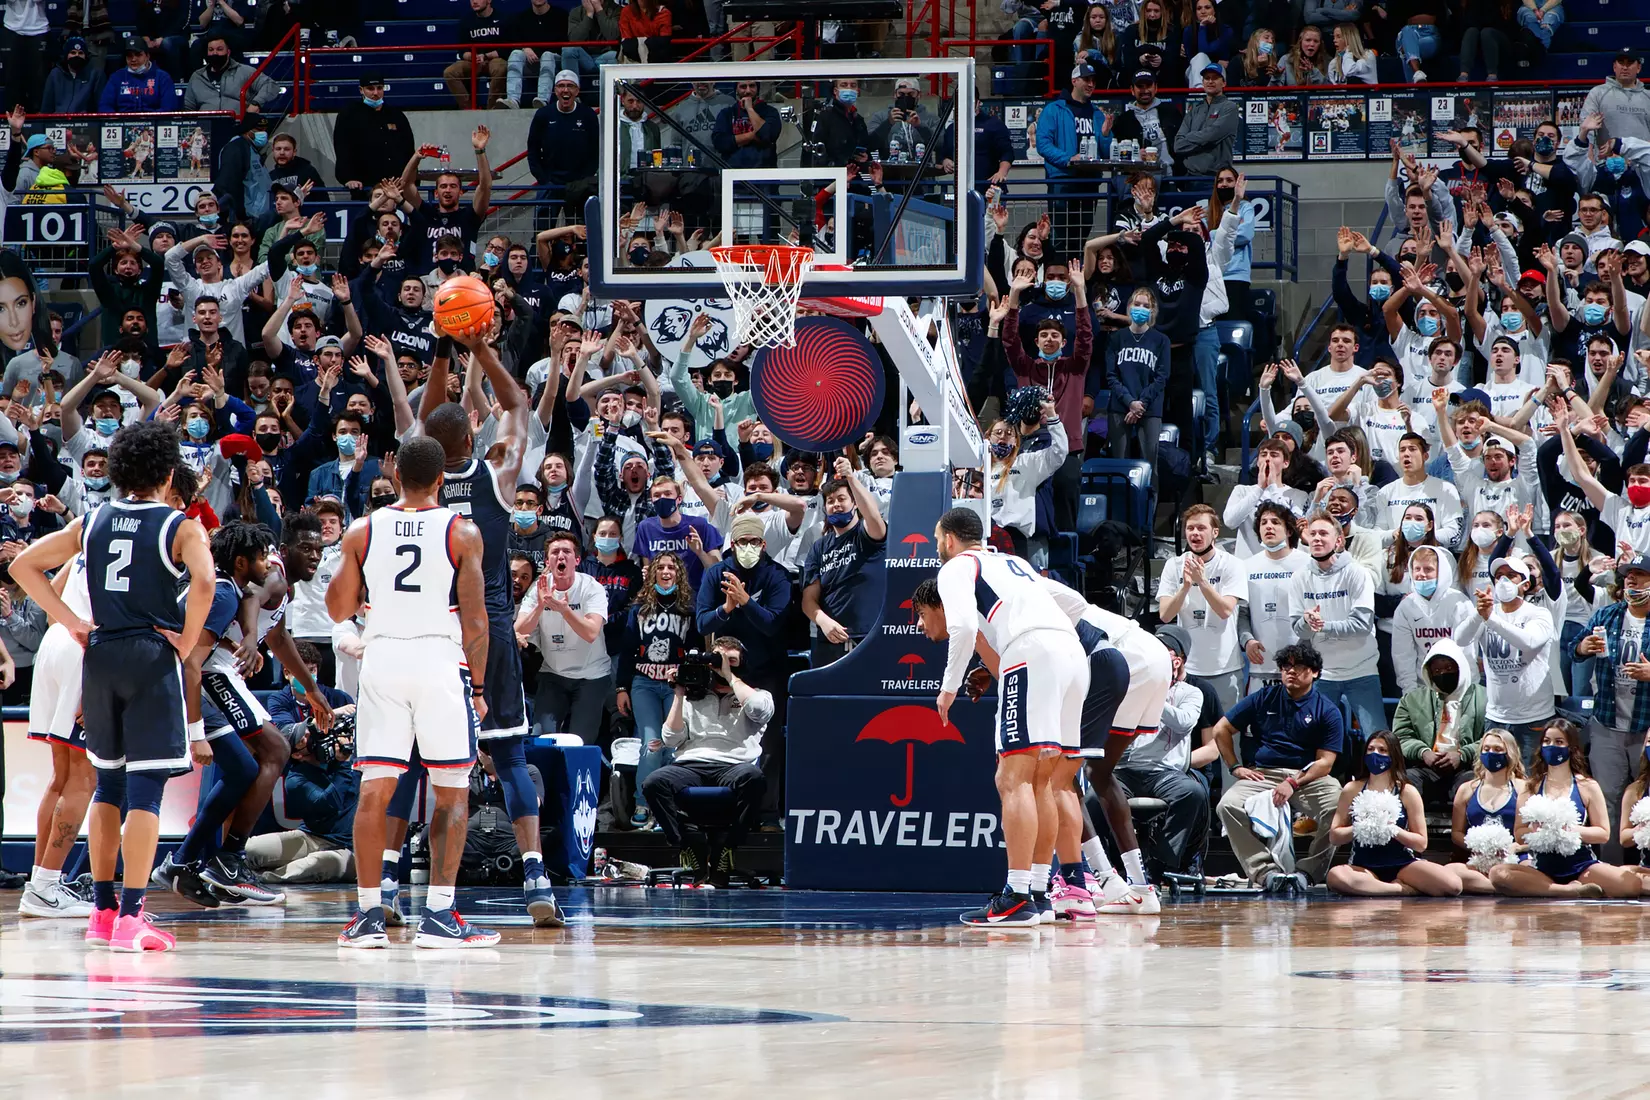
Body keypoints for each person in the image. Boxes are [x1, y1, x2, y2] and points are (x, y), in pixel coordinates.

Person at [12, 421, 217, 952]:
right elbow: (207, 582)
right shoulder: (180, 526)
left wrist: (70, 621)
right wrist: (188, 638)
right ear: (169, 472)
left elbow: (23, 565)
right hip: (149, 658)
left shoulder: (92, 519)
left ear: (119, 471)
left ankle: (101, 912)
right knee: (146, 791)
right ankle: (132, 915)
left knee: (107, 787)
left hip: (97, 656)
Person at [327, 435, 499, 949]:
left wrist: (356, 568)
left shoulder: (362, 529)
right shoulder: (461, 531)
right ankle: (440, 916)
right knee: (452, 790)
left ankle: (366, 916)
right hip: (439, 659)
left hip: (382, 658)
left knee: (375, 789)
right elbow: (476, 621)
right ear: (443, 478)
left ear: (394, 473)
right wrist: (480, 686)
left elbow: (338, 608)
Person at [413, 334, 560, 927]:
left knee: (412, 763)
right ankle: (535, 877)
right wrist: (480, 345)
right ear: (473, 437)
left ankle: (396, 883)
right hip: (491, 631)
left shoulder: (417, 485)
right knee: (510, 754)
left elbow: (427, 422)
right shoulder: (499, 476)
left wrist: (445, 354)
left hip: (432, 632)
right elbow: (520, 406)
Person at [916, 507, 1088, 928]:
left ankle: (1016, 896)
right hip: (1072, 654)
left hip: (1031, 654)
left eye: (938, 539)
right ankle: (1041, 894)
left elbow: (958, 629)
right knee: (1042, 779)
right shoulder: (1015, 563)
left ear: (950, 540)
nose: (938, 547)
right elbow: (1077, 602)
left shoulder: (957, 566)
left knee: (1012, 778)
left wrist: (949, 686)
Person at [1212, 641, 1345, 890]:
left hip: (1307, 776)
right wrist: (1234, 767)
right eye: (1286, 666)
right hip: (1265, 773)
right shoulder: (1264, 697)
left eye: (1299, 666)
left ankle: (1308, 873)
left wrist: (1292, 782)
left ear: (1315, 672)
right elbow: (1221, 729)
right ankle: (1265, 871)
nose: (1291, 671)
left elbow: (1325, 763)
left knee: (1339, 805)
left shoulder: (1327, 710)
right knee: (1227, 806)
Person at [643, 636, 770, 883]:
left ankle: (727, 849)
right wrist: (679, 693)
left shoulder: (757, 694)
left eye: (731, 660)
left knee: (754, 778)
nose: (723, 665)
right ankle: (688, 845)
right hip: (690, 764)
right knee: (653, 782)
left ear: (741, 663)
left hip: (735, 766)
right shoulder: (693, 694)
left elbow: (758, 710)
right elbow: (670, 740)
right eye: (718, 659)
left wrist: (730, 676)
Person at [17, 552, 95, 918]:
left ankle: (41, 882)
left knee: (62, 776)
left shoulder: (84, 544)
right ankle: (46, 886)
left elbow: (49, 604)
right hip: (85, 648)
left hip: (55, 642)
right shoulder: (145, 533)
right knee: (83, 776)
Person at [1490, 719, 1642, 898]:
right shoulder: (1530, 786)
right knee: (1497, 874)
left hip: (1581, 865)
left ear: (1571, 747)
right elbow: (1519, 833)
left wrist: (1566, 830)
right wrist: (1538, 831)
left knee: (1630, 885)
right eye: (1547, 741)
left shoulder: (1588, 785)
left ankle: (1557, 888)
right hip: (1541, 867)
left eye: (1559, 742)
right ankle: (1566, 890)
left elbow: (1603, 833)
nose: (1551, 746)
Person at [1572, 552, 1650, 862]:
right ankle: (1613, 872)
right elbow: (1573, 649)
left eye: (1640, 574)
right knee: (1608, 802)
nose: (1631, 579)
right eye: (1628, 574)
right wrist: (1583, 646)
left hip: (1646, 728)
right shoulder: (1607, 615)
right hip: (1606, 725)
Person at [1325, 731, 1461, 896]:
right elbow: (1334, 836)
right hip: (1363, 867)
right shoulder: (1352, 789)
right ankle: (1399, 889)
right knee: (1335, 876)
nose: (1375, 754)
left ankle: (1375, 890)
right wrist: (1360, 827)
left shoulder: (1407, 791)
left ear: (1393, 755)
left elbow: (1421, 843)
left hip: (1402, 865)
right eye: (1371, 749)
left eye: (1382, 750)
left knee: (1453, 885)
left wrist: (1392, 829)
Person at [1290, 511, 1384, 746]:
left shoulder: (1357, 573)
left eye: (1324, 533)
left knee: (1378, 739)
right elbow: (1298, 629)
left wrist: (1323, 626)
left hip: (1361, 670)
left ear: (1339, 540)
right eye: (1312, 534)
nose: (1317, 539)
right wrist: (1307, 623)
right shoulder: (1299, 577)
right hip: (1324, 673)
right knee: (1317, 742)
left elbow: (1362, 625)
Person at [1457, 556, 1555, 764]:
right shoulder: (1486, 614)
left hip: (1534, 717)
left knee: (1530, 781)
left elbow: (1528, 641)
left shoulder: (1539, 614)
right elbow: (1460, 639)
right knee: (1495, 780)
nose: (1504, 581)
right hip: (1497, 717)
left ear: (1525, 584)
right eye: (1499, 576)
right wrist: (1479, 615)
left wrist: (1490, 619)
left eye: (1511, 576)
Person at [244, 712, 358, 885]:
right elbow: (330, 803)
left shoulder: (344, 754)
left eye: (309, 731)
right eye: (303, 738)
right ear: (297, 754)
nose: (311, 735)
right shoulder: (295, 780)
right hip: (313, 837)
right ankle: (232, 872)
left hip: (352, 848)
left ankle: (260, 879)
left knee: (317, 864)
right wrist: (343, 763)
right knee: (250, 848)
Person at [515, 530, 609, 739]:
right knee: (542, 739)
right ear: (548, 560)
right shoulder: (538, 588)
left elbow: (591, 632)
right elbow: (518, 632)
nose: (560, 556)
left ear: (576, 560)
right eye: (554, 552)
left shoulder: (592, 588)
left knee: (579, 742)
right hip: (553, 674)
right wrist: (540, 606)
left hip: (591, 675)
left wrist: (565, 610)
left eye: (566, 552)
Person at [1157, 504, 1246, 711]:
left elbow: (1225, 611)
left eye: (1201, 528)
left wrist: (1202, 582)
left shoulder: (1232, 564)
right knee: (1190, 735)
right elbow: (1165, 614)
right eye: (1190, 528)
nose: (1195, 533)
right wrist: (1186, 586)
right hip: (1188, 668)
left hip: (1225, 667)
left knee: (1226, 733)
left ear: (1215, 532)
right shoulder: (1174, 565)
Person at [801, 460, 887, 667]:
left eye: (842, 499)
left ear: (854, 503)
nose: (836, 504)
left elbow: (873, 516)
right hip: (831, 639)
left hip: (869, 636)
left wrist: (851, 478)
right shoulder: (819, 547)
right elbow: (808, 599)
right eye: (830, 501)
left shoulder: (866, 535)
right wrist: (823, 621)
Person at [1240, 501, 1310, 693]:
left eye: (1275, 522)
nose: (1268, 526)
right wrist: (1248, 641)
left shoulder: (1307, 563)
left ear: (1289, 531)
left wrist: (1303, 652)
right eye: (1263, 523)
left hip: (1300, 666)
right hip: (1260, 667)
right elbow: (1242, 614)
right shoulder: (1246, 567)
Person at [1447, 726, 1524, 894]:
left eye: (1498, 749)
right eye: (1486, 748)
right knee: (1450, 872)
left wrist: (1513, 848)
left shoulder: (1523, 788)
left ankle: (1504, 884)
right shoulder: (1467, 789)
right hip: (1477, 859)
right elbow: (1456, 833)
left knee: (1526, 870)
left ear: (1509, 753)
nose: (1491, 753)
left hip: (1513, 859)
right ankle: (1502, 888)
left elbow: (1531, 833)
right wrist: (1479, 846)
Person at [331, 74, 416, 201]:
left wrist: (410, 180)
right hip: (363, 186)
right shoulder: (348, 114)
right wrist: (348, 178)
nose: (375, 93)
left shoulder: (396, 115)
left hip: (396, 186)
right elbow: (342, 147)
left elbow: (408, 149)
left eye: (379, 88)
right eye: (370, 88)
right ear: (361, 90)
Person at [1173, 64, 1240, 175]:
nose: (1210, 81)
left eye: (1215, 78)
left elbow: (1211, 136)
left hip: (1216, 178)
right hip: (1190, 177)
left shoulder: (1230, 107)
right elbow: (1178, 145)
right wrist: (1203, 140)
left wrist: (1189, 137)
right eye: (1207, 78)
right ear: (1203, 82)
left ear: (1224, 83)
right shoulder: (1194, 109)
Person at [1579, 50, 1650, 145]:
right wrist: (1590, 156)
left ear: (1638, 68)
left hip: (1643, 159)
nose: (1625, 67)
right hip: (1607, 158)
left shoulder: (1648, 96)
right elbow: (1587, 129)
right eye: (1621, 63)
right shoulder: (1598, 93)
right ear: (1614, 67)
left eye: (1629, 63)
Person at [99, 36, 176, 112]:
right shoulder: (116, 77)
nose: (133, 59)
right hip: (123, 122)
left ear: (147, 56)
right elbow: (105, 106)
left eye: (138, 54)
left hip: (153, 122)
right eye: (129, 55)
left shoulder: (162, 77)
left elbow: (168, 108)